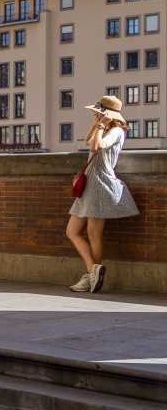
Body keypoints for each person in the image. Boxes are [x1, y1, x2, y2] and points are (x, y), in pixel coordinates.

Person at [66, 95, 138, 293]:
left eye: (97, 111)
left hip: (100, 184)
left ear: (107, 113)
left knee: (93, 233)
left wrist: (101, 126)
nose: (93, 113)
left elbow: (95, 147)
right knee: (72, 231)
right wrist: (97, 124)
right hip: (90, 184)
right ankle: (92, 272)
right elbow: (88, 140)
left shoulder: (116, 132)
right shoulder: (104, 128)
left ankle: (91, 276)